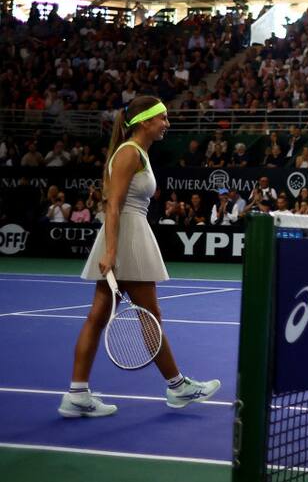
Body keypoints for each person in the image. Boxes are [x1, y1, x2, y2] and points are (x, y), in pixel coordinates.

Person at [62, 96, 219, 419]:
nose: (167, 123)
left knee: (100, 315)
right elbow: (113, 204)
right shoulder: (130, 153)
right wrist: (110, 252)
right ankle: (177, 386)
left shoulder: (138, 153)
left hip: (129, 234)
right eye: (163, 118)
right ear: (146, 121)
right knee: (149, 315)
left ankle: (77, 393)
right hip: (126, 239)